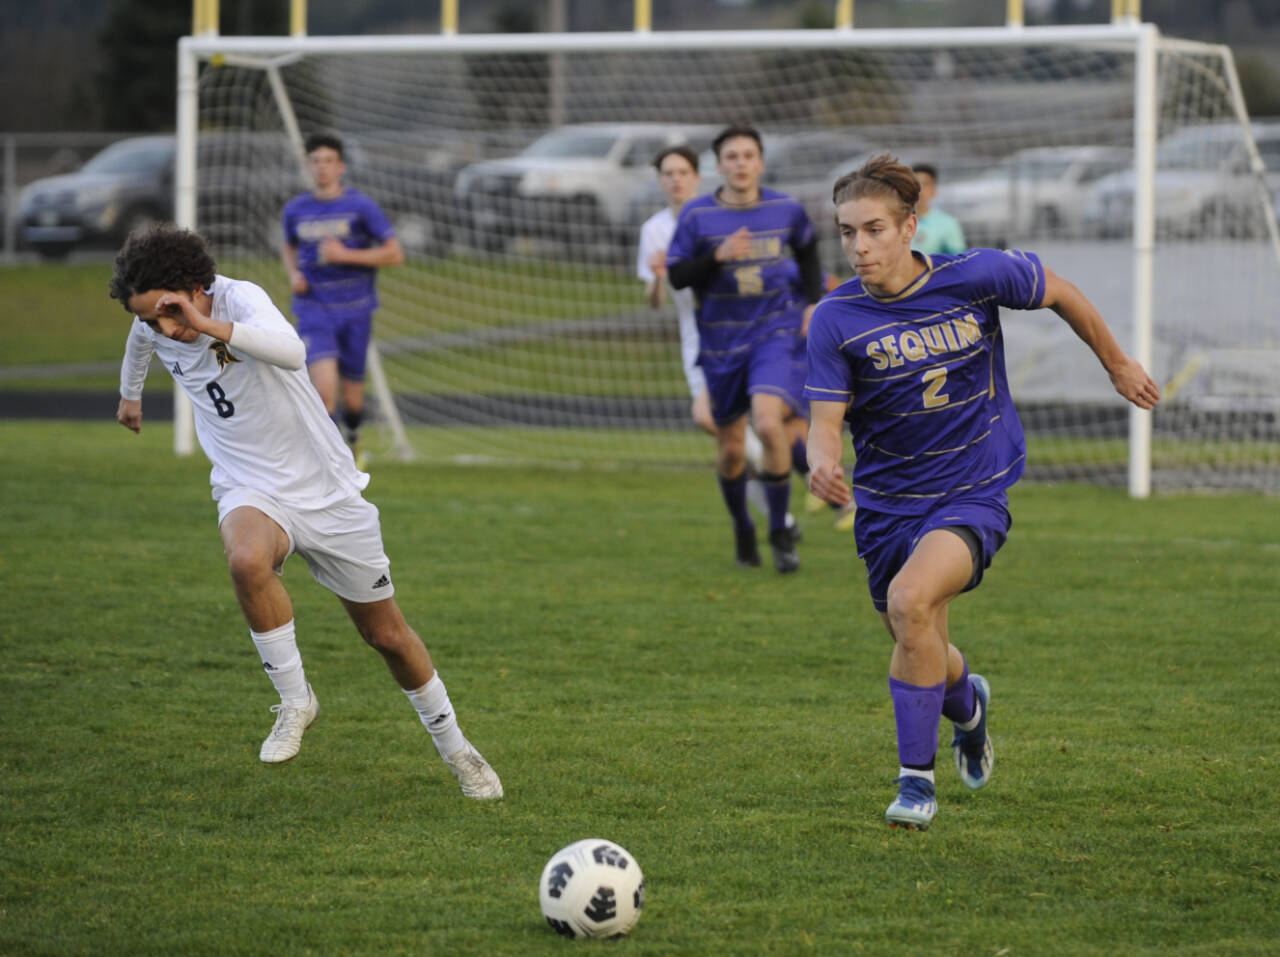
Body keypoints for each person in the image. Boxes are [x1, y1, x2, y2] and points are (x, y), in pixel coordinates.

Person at [805, 155, 1159, 830]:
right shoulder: (834, 318)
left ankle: (915, 785)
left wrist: (1117, 363)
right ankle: (968, 707)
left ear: (911, 226)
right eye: (847, 232)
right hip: (885, 504)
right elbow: (824, 425)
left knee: (912, 603)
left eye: (873, 229)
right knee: (917, 634)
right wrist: (820, 464)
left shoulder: (975, 275)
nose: (858, 246)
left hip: (972, 488)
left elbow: (1061, 291)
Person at [111, 224, 502, 800]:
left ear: (196, 288)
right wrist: (130, 395)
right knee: (246, 560)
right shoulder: (154, 320)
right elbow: (141, 341)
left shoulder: (238, 300)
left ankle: (460, 753)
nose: (164, 329)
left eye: (168, 313)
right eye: (149, 318)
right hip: (250, 486)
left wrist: (205, 325)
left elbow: (293, 353)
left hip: (328, 494)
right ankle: (296, 701)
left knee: (388, 637)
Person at [666, 124, 826, 573]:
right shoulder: (697, 215)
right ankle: (742, 526)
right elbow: (677, 276)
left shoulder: (785, 208)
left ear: (760, 162)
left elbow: (810, 251)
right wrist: (716, 258)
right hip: (720, 343)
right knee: (733, 449)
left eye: (748, 155)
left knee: (770, 424)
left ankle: (779, 530)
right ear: (720, 165)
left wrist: (812, 303)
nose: (740, 163)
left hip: (773, 334)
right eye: (731, 156)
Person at [636, 143, 798, 535]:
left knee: (752, 423)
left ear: (697, 176)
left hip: (744, 333)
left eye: (682, 172)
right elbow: (656, 301)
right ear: (660, 182)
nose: (675, 180)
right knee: (725, 435)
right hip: (697, 342)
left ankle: (784, 503)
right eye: (668, 174)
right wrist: (659, 276)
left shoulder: (717, 217)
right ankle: (771, 510)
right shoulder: (654, 229)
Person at [282, 132, 404, 468]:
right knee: (323, 392)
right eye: (315, 161)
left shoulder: (361, 207)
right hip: (314, 310)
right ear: (308, 167)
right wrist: (294, 274)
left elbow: (394, 254)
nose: (321, 168)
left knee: (352, 399)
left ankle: (354, 438)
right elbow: (289, 247)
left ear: (341, 167)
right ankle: (331, 465)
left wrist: (345, 254)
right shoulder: (295, 210)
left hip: (356, 310)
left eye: (328, 161)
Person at [909, 162, 967, 256]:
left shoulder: (948, 223)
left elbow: (957, 259)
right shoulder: (898, 222)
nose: (920, 189)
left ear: (934, 190)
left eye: (925, 184)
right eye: (915, 184)